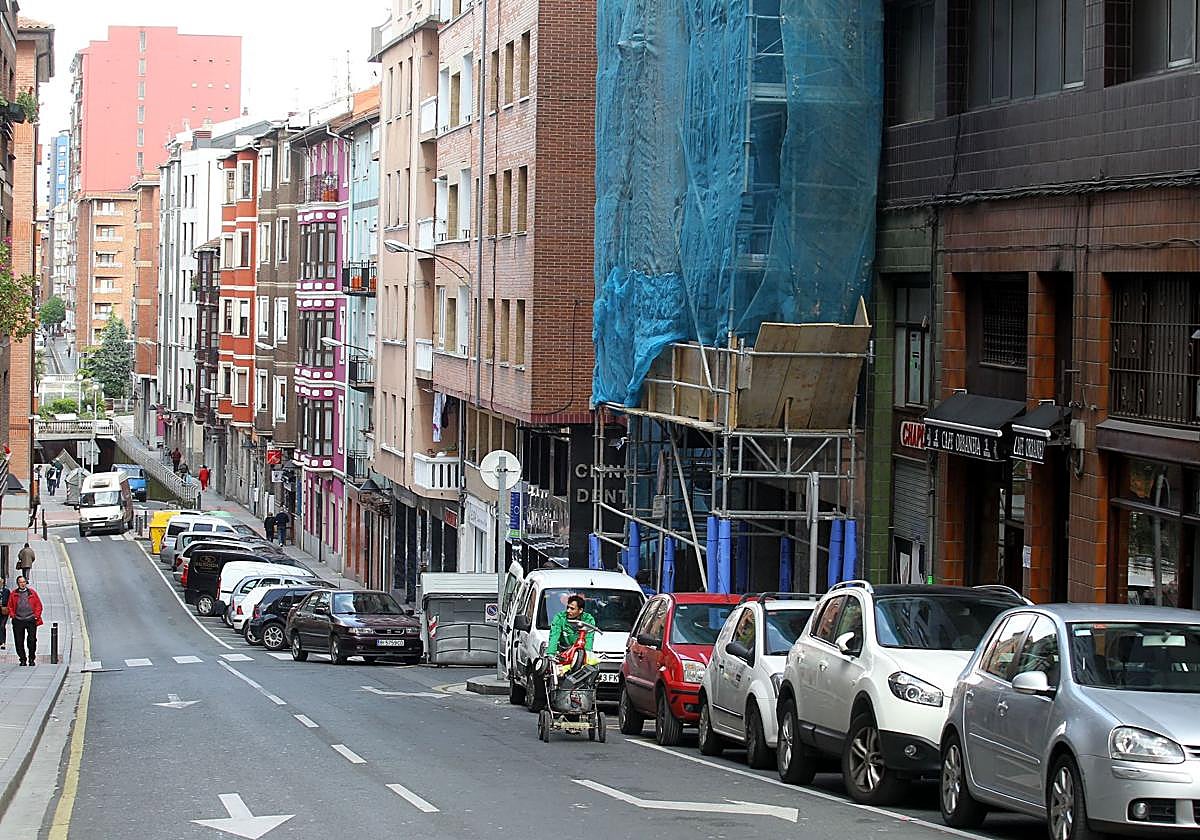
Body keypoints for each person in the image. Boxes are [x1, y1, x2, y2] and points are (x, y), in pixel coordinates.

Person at [545, 594, 595, 660]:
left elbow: (589, 638)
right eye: (568, 607)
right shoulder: (560, 618)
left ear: (580, 610)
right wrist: (551, 654)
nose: (568, 610)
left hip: (579, 653)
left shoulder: (588, 619)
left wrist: (586, 655)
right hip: (562, 652)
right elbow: (554, 636)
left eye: (572, 608)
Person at [8, 576, 43, 666]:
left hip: (31, 619)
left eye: (24, 582)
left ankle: (31, 659)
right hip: (18, 620)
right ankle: (22, 659)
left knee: (32, 640)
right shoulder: (13, 594)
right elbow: (10, 606)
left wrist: (36, 616)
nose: (23, 584)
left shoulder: (32, 593)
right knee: (19, 641)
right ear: (18, 583)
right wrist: (13, 616)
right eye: (20, 582)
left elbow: (38, 605)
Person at [0, 576, 9, 651]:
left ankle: (3, 642)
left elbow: (9, 601)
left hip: (4, 611)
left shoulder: (6, 591)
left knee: (2, 626)